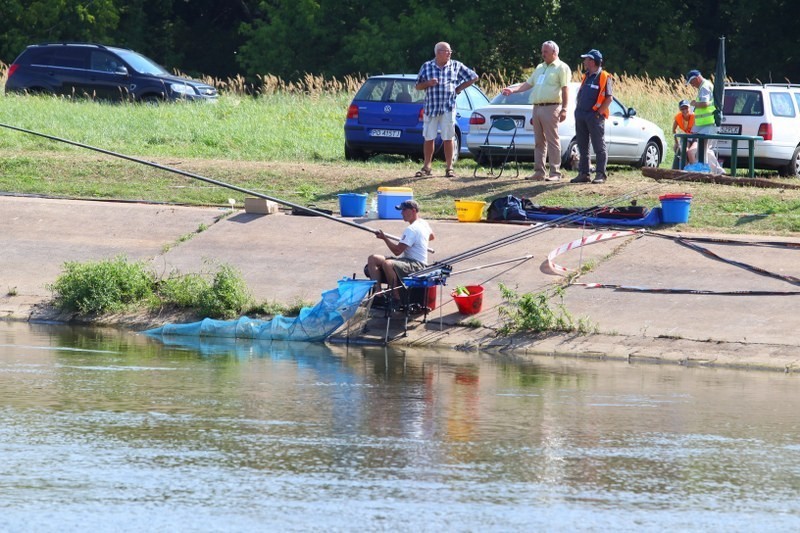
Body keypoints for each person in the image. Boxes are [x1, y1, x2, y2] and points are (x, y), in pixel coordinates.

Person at [502, 40, 571, 182]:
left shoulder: (562, 67)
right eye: (542, 51)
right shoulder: (540, 67)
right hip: (537, 107)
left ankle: (555, 172)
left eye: (545, 51)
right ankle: (539, 172)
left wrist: (564, 109)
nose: (542, 54)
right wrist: (513, 90)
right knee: (539, 141)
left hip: (552, 107)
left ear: (554, 52)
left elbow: (565, 89)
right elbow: (528, 84)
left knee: (553, 140)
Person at [415, 42, 478, 179]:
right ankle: (427, 166)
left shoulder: (456, 65)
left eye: (450, 51)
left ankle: (449, 168)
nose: (449, 53)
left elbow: (474, 77)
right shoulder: (427, 66)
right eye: (446, 51)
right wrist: (428, 83)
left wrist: (459, 88)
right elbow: (418, 86)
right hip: (431, 107)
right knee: (429, 137)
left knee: (448, 138)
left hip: (448, 108)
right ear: (438, 53)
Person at [366, 200, 435, 303]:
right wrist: (415, 241)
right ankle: (378, 293)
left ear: (413, 211)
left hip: (417, 264)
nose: (401, 213)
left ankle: (396, 297)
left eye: (404, 210)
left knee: (387, 264)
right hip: (406, 260)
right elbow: (431, 237)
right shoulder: (423, 223)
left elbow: (397, 251)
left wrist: (384, 238)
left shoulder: (411, 229)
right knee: (373, 258)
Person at [571, 49, 613, 184]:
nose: (584, 62)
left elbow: (609, 98)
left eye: (586, 59)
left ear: (593, 61)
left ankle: (600, 174)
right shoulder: (586, 76)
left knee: (599, 146)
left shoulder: (605, 76)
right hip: (581, 114)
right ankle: (584, 174)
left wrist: (598, 113)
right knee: (582, 146)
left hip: (594, 116)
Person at [685, 69, 723, 173]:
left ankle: (704, 170)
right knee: (706, 149)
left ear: (697, 78)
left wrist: (694, 104)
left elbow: (705, 103)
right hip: (705, 124)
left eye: (692, 82)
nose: (692, 85)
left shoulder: (704, 87)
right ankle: (718, 171)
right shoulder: (705, 85)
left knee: (704, 149)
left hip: (708, 123)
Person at [672, 99, 697, 165]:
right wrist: (676, 142)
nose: (684, 110)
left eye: (686, 108)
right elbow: (674, 130)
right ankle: (684, 168)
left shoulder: (694, 116)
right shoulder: (678, 117)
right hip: (688, 137)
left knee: (690, 152)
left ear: (689, 108)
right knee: (682, 150)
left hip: (696, 137)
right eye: (682, 109)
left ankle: (693, 169)